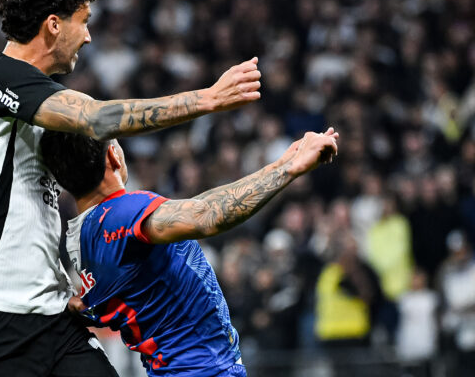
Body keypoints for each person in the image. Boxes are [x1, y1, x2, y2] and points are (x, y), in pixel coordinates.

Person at [0, 0, 263, 377]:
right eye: (82, 20)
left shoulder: (39, 100)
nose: (87, 36)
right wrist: (208, 99)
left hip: (51, 316)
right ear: (53, 24)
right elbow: (98, 118)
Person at [39, 127, 339, 376]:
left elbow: (92, 307)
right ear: (113, 156)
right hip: (203, 370)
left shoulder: (79, 239)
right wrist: (288, 168)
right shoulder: (124, 212)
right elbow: (207, 215)